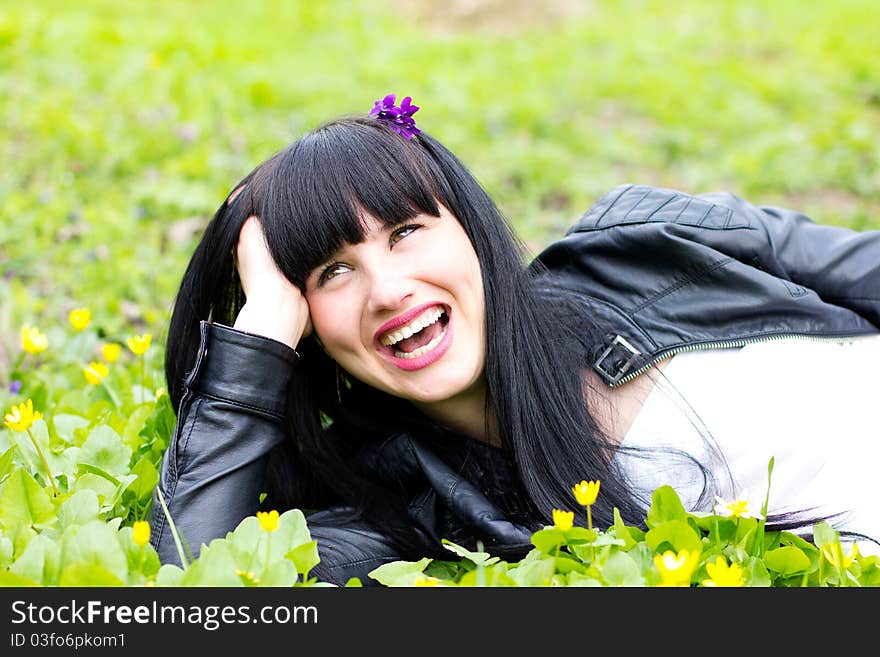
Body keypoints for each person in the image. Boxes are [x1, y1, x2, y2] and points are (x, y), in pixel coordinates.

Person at [151, 93, 880, 586]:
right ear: (305, 328)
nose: (389, 289)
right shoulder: (411, 502)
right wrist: (258, 337)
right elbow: (198, 587)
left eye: (406, 231)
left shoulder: (646, 239)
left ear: (469, 226)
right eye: (333, 271)